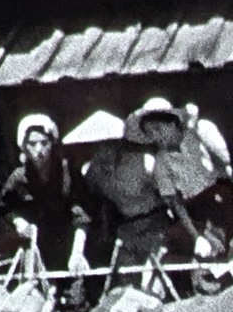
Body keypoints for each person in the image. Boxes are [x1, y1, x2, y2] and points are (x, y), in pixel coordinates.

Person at [129, 97, 233, 257]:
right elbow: (176, 204)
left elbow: (223, 162)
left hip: (223, 194)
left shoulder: (196, 136)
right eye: (150, 133)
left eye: (158, 129)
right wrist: (197, 237)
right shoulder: (161, 162)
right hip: (197, 209)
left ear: (173, 124)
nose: (156, 136)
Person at [64, 110, 169, 272]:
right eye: (96, 145)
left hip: (157, 230)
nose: (103, 149)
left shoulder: (146, 162)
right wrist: (77, 252)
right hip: (126, 234)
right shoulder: (92, 174)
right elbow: (84, 212)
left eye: (109, 143)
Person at [0, 111, 82, 271]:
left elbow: (82, 211)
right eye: (32, 144)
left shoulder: (68, 171)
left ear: (52, 144)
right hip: (36, 243)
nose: (39, 150)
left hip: (69, 239)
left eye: (44, 143)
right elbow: (2, 208)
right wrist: (18, 222)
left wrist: (78, 251)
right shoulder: (19, 178)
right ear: (24, 147)